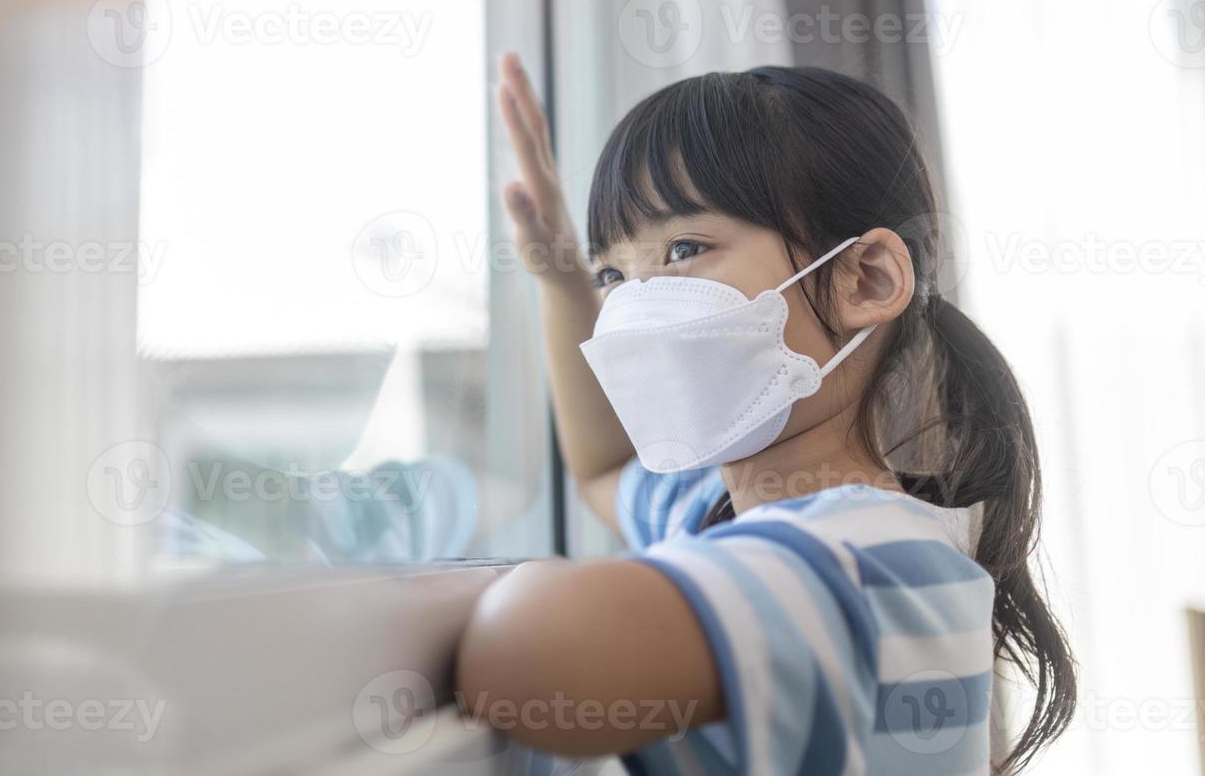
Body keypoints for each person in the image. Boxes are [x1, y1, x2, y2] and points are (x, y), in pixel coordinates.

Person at [455, 54, 1075, 774]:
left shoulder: (868, 557)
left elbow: (529, 655)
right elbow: (604, 469)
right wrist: (564, 282)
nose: (631, 309)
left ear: (864, 279)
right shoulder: (732, 514)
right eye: (613, 277)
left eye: (684, 248)